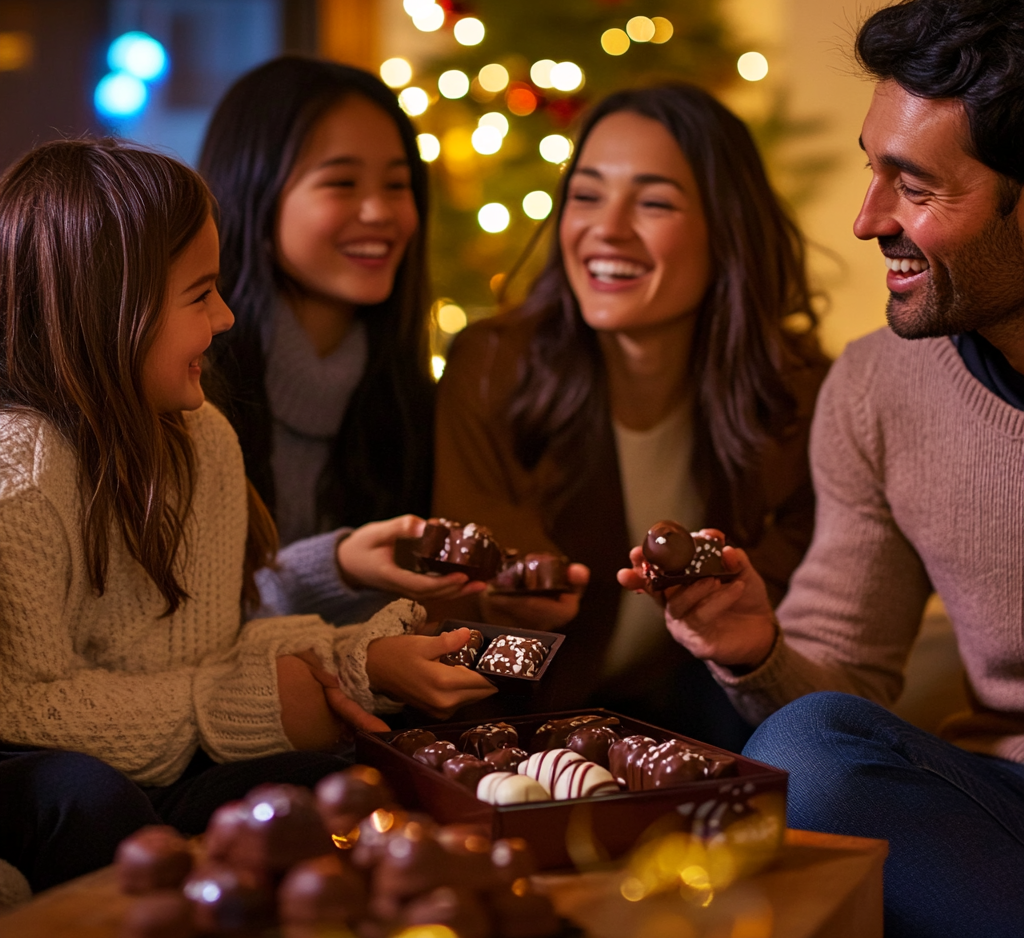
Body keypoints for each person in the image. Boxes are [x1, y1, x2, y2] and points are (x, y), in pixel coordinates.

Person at [619, 0, 1024, 937]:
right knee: (807, 749)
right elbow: (846, 677)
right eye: (872, 167)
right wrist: (756, 647)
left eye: (914, 186)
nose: (866, 218)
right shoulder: (879, 386)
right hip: (998, 812)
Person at [0, 138, 492, 894]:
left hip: (155, 755)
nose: (226, 317)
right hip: (39, 763)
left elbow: (209, 650)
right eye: (200, 295)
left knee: (348, 779)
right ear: (112, 312)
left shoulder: (205, 442)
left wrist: (357, 663)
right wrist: (219, 706)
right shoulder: (20, 478)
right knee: (86, 800)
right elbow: (22, 705)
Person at [436, 84, 829, 745]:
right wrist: (513, 621)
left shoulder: (798, 396)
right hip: (518, 728)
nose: (606, 229)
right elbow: (467, 648)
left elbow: (791, 640)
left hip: (701, 723)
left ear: (725, 229)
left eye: (653, 202)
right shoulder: (493, 367)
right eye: (586, 195)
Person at [198, 56, 486, 625]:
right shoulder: (186, 386)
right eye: (342, 183)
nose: (381, 212)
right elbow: (173, 624)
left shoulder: (408, 398)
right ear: (253, 192)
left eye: (398, 185)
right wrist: (336, 567)